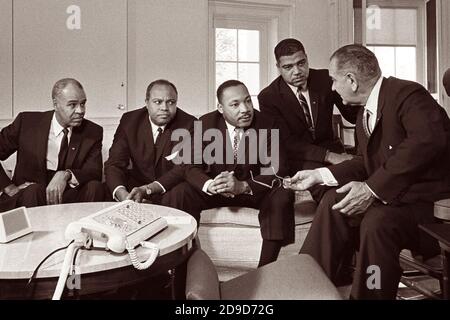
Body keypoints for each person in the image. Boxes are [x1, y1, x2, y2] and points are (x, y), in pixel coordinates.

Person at [286, 44, 450, 299]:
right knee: (333, 199)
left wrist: (371, 189)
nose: (331, 87)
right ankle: (305, 289)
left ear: (351, 80)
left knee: (377, 221)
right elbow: (365, 161)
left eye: (333, 80)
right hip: (398, 201)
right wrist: (320, 175)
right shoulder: (366, 111)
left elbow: (426, 141)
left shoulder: (408, 94)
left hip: (430, 208)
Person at [164, 80, 295, 267]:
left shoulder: (267, 123)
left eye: (248, 101)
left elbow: (277, 169)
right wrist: (210, 185)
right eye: (235, 104)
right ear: (220, 107)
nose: (245, 109)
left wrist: (242, 186)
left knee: (282, 194)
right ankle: (179, 266)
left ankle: (266, 270)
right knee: (179, 193)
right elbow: (190, 165)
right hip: (216, 189)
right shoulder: (205, 123)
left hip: (251, 190)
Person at [258, 38, 359, 179]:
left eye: (301, 63)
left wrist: (357, 94)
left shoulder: (325, 79)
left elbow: (353, 116)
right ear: (278, 67)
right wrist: (330, 157)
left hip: (333, 149)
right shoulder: (268, 97)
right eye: (288, 67)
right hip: (301, 158)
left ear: (306, 58)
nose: (297, 71)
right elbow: (286, 142)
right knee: (325, 182)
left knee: (358, 174)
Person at [0, 78, 105, 212]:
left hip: (68, 195)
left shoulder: (92, 131)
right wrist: (9, 187)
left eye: (83, 104)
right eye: (72, 105)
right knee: (33, 191)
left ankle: (83, 231)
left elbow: (94, 172)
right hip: (31, 195)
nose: (80, 110)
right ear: (56, 104)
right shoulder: (26, 123)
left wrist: (65, 175)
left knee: (95, 187)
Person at [104, 79, 196, 204]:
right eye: (157, 102)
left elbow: (183, 168)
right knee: (101, 189)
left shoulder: (189, 124)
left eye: (171, 102)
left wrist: (149, 189)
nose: (164, 108)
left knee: (182, 192)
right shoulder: (130, 121)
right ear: (147, 103)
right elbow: (115, 163)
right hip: (135, 187)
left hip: (170, 188)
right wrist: (122, 194)